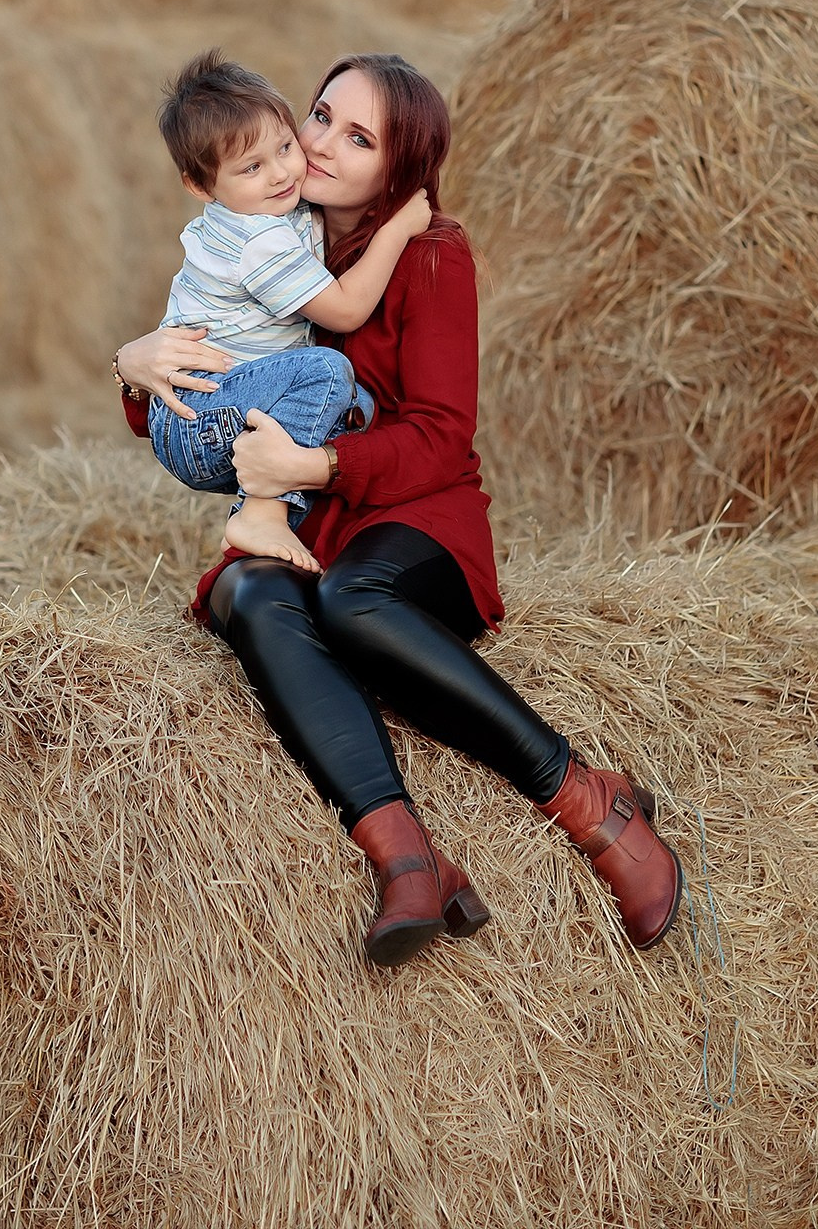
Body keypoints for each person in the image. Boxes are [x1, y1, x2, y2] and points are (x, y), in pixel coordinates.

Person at [114, 53, 683, 968]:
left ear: (400, 165)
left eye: (360, 135)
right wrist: (134, 365)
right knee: (254, 597)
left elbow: (441, 434)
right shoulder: (271, 223)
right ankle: (410, 861)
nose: (323, 143)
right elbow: (203, 381)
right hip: (308, 523)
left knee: (348, 600)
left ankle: (587, 800)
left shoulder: (428, 255)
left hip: (418, 519)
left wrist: (320, 461)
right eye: (323, 114)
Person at [137, 49, 432, 570]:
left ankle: (289, 524)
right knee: (328, 370)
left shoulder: (276, 208)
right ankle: (263, 511)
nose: (281, 174)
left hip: (214, 404)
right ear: (200, 187)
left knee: (358, 409)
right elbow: (342, 313)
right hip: (201, 416)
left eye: (284, 148)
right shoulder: (257, 240)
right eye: (252, 167)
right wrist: (396, 230)